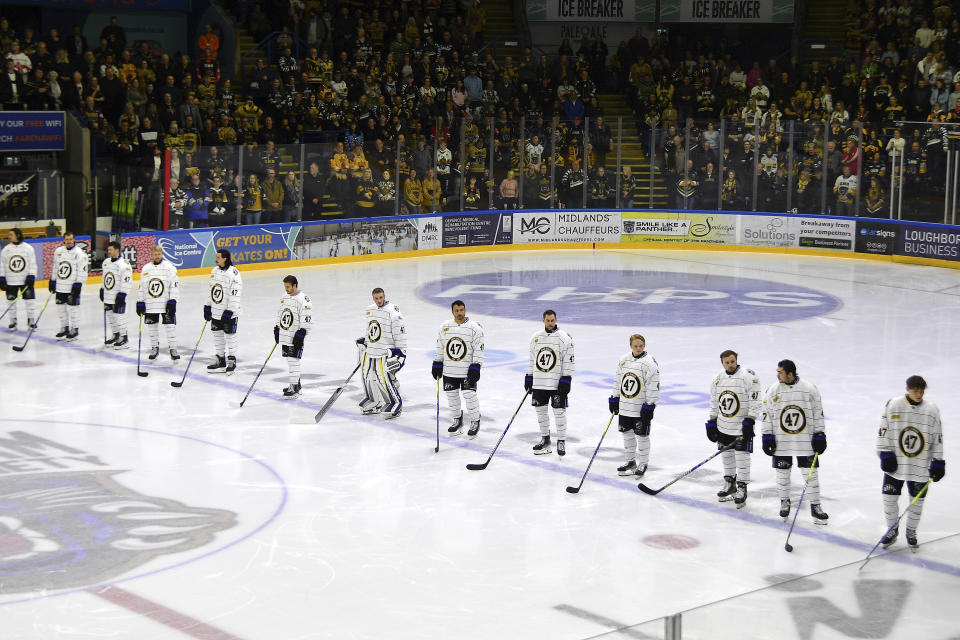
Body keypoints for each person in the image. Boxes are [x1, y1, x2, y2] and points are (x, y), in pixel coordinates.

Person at [876, 375, 946, 549]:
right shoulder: (894, 404)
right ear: (908, 389)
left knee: (916, 504)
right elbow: (883, 430)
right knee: (889, 499)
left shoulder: (931, 409)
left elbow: (937, 437)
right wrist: (885, 454)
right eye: (916, 390)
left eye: (922, 390)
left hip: (920, 466)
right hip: (896, 464)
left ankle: (911, 531)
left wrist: (938, 461)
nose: (919, 394)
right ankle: (892, 530)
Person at [761, 359, 828, 523]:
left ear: (790, 374)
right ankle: (784, 501)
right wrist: (767, 436)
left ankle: (815, 505)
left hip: (805, 440)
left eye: (780, 372)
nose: (777, 375)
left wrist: (820, 434)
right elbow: (766, 415)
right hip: (781, 440)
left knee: (811, 475)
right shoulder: (772, 390)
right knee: (782, 475)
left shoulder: (809, 389)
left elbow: (818, 413)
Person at [707, 350, 762, 507]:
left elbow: (756, 401)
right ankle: (730, 484)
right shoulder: (717, 379)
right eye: (727, 362)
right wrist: (712, 422)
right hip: (724, 425)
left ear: (736, 360)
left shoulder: (748, 377)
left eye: (732, 361)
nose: (730, 365)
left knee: (742, 458)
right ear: (722, 363)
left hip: (741, 427)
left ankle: (742, 488)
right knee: (727, 457)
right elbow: (714, 401)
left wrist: (750, 421)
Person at [432, 299, 485, 438]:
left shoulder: (474, 328)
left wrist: (476, 366)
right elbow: (440, 347)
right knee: (452, 396)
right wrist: (437, 363)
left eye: (462, 310)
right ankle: (457, 420)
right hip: (450, 369)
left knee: (469, 395)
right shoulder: (445, 327)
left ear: (465, 310)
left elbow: (479, 349)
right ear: (452, 311)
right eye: (457, 310)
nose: (459, 313)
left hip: (467, 370)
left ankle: (475, 421)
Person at [525, 309, 575, 456]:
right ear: (543, 320)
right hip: (540, 382)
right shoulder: (536, 337)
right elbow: (532, 360)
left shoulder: (564, 338)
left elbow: (569, 359)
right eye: (548, 320)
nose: (551, 323)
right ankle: (545, 440)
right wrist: (529, 377)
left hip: (556, 383)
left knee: (559, 412)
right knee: (540, 412)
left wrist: (566, 378)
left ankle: (561, 441)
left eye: (553, 320)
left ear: (556, 319)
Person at [608, 334, 659, 476]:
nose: (638, 348)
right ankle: (630, 462)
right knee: (627, 435)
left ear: (644, 346)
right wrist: (615, 398)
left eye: (641, 346)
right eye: (636, 346)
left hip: (640, 408)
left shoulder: (649, 363)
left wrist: (650, 405)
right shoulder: (624, 360)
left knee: (642, 436)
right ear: (631, 346)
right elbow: (618, 380)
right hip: (625, 406)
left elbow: (653, 386)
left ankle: (643, 463)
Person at [356, 287, 406, 418]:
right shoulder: (370, 310)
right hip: (371, 350)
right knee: (366, 375)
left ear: (384, 296)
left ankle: (395, 402)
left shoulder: (393, 312)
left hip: (384, 352)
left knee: (383, 379)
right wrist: (366, 341)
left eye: (381, 298)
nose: (379, 300)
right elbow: (370, 328)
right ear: (373, 298)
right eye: (376, 298)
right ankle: (374, 401)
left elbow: (400, 334)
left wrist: (401, 352)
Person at [136, 245, 179, 360]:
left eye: (159, 254)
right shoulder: (146, 268)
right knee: (152, 327)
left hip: (165, 303)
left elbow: (174, 285)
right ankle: (154, 347)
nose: (157, 256)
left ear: (162, 254)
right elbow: (142, 286)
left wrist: (173, 300)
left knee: (170, 326)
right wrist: (140, 302)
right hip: (150, 303)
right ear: (152, 255)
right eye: (155, 254)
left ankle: (173, 348)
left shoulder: (169, 267)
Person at [204, 249, 242, 373]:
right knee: (217, 336)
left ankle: (232, 361)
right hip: (216, 310)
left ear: (225, 258)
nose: (216, 259)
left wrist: (230, 311)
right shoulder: (214, 271)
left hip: (228, 313)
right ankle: (220, 360)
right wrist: (207, 306)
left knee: (230, 337)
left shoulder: (234, 273)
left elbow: (235, 294)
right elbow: (212, 290)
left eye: (218, 257)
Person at [274, 274, 311, 397]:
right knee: (290, 361)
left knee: (294, 361)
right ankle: (295, 385)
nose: (286, 289)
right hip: (285, 333)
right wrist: (276, 328)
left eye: (288, 287)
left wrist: (301, 334)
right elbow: (280, 313)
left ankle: (294, 388)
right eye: (285, 287)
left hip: (295, 336)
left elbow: (307, 318)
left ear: (295, 285)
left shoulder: (303, 299)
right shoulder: (284, 296)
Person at [49, 232, 88, 341]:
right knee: (61, 308)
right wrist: (52, 281)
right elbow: (56, 267)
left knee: (73, 309)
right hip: (60, 285)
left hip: (72, 286)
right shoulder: (58, 252)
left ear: (74, 239)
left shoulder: (79, 253)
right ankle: (64, 328)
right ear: (64, 240)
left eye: (71, 239)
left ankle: (74, 329)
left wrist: (78, 283)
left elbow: (83, 270)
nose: (69, 241)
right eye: (67, 239)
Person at [0, 228, 38, 331]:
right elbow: (2, 265)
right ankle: (13, 321)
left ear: (17, 235)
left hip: (25, 280)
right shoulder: (6, 249)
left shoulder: (28, 248)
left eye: (11, 234)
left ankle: (31, 321)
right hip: (11, 281)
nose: (9, 236)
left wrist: (31, 276)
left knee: (30, 301)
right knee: (11, 301)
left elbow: (32, 263)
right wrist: (2, 278)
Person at [99, 240, 131, 349]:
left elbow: (126, 281)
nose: (108, 251)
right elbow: (104, 277)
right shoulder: (106, 262)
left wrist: (122, 294)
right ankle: (116, 334)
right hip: (108, 294)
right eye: (108, 249)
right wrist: (102, 289)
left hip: (118, 296)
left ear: (117, 250)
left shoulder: (124, 265)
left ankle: (124, 337)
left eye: (110, 249)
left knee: (119, 316)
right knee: (110, 316)